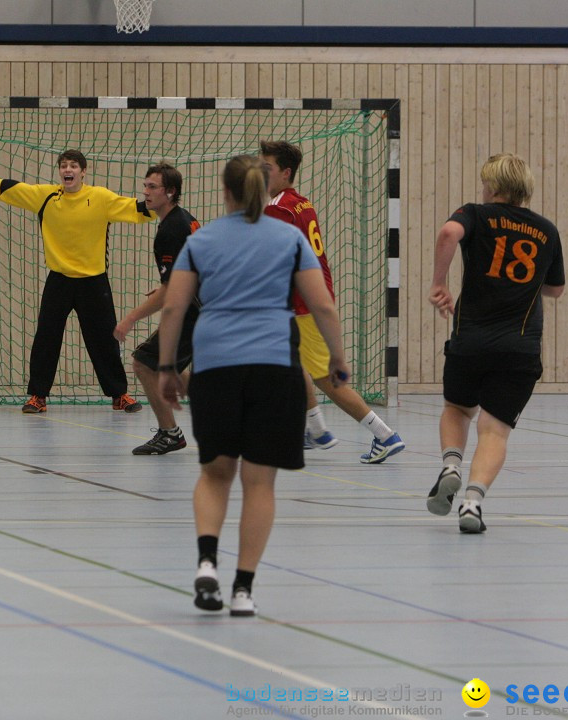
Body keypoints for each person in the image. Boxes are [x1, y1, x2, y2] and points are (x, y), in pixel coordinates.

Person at [157, 155, 350, 617]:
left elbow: (173, 309)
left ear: (225, 192)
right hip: (273, 366)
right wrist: (339, 359)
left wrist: (166, 368)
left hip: (216, 365)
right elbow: (322, 305)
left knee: (214, 473)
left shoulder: (201, 240)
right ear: (265, 192)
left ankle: (207, 561)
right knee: (260, 482)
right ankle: (243, 589)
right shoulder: (288, 237)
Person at [426, 153, 565, 533]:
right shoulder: (547, 230)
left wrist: (439, 283)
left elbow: (447, 233)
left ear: (496, 186)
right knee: (495, 429)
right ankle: (472, 502)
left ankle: (451, 465)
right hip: (520, 348)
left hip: (470, 340)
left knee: (457, 408)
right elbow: (555, 288)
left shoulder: (476, 214)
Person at [0, 150, 153, 413]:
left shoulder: (100, 198)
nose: (68, 169)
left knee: (105, 340)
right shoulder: (46, 196)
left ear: (83, 172)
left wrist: (162, 205)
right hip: (59, 280)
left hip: (94, 282)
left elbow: (135, 209)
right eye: (63, 166)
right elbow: (13, 189)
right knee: (46, 338)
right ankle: (37, 397)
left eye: (73, 165)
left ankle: (119, 394)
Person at [259, 141, 405, 464]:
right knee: (291, 362)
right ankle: (312, 429)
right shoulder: (300, 203)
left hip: (303, 302)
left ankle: (384, 434)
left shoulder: (277, 209)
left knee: (326, 378)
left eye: (267, 168)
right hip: (310, 297)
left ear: (286, 173)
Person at [113, 163, 200, 455]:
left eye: (153, 187)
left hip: (196, 310)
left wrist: (129, 318)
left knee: (143, 362)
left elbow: (172, 290)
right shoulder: (182, 219)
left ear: (170, 192)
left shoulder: (171, 229)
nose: (146, 193)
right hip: (202, 305)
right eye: (145, 186)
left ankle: (170, 433)